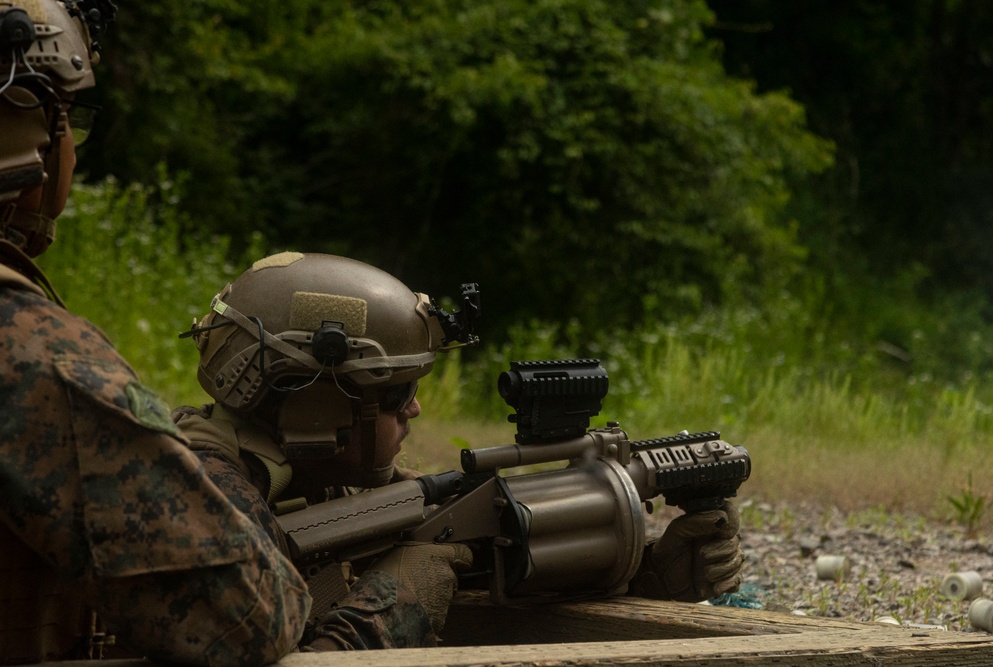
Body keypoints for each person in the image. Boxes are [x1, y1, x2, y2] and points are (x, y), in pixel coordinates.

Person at [173, 250, 745, 650]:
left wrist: (647, 573)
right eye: (397, 393)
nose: (414, 410)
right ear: (315, 405)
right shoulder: (201, 501)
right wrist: (405, 594)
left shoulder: (320, 482)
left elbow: (481, 568)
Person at [0, 2, 310, 663]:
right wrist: (226, 471)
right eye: (66, 120)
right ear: (24, 127)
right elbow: (247, 618)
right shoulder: (31, 353)